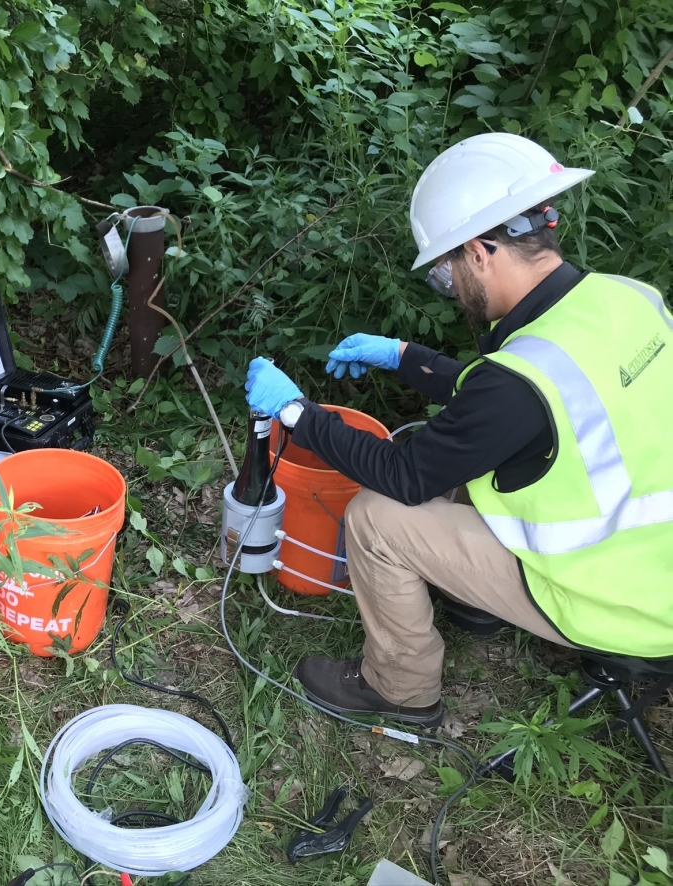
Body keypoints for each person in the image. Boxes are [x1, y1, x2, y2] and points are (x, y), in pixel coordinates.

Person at [245, 132, 673, 727]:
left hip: (620, 603)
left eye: (445, 275)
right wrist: (402, 354)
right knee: (477, 463)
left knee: (376, 518)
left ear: (478, 252)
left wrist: (297, 415)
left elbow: (409, 475)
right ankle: (480, 607)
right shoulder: (626, 299)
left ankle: (399, 690)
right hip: (656, 563)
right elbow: (516, 401)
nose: (451, 291)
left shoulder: (520, 379)